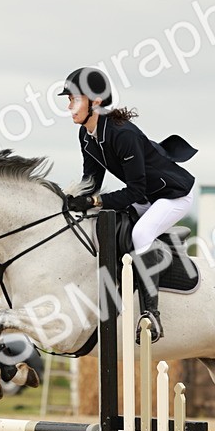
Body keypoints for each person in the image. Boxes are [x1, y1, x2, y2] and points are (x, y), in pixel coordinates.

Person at [58, 66, 197, 343]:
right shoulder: (86, 135)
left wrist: (96, 201)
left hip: (172, 196)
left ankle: (151, 314)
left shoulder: (123, 134)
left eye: (74, 99)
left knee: (141, 234)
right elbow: (91, 180)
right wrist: (71, 201)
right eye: (69, 100)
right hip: (146, 197)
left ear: (95, 101)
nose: (69, 106)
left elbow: (136, 189)